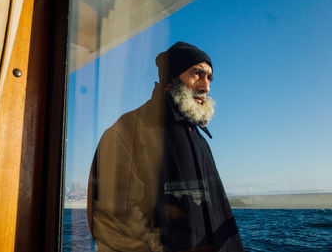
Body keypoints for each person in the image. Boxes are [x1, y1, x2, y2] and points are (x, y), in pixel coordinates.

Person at [87, 42, 244, 252]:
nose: (205, 87)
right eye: (197, 74)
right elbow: (115, 222)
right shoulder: (129, 130)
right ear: (170, 80)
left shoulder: (199, 139)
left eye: (209, 77)